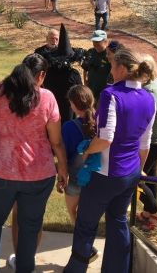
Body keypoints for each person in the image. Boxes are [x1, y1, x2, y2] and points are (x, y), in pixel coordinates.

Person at [0, 54, 68, 273]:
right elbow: (56, 141)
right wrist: (63, 167)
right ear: (41, 75)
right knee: (30, 228)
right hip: (38, 174)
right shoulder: (47, 98)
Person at [64, 48, 156, 273]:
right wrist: (138, 171)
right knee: (118, 221)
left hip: (106, 175)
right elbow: (145, 144)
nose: (111, 70)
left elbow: (105, 139)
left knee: (86, 225)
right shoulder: (149, 97)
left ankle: (75, 269)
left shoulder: (111, 94)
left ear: (122, 69)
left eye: (113, 66)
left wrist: (86, 153)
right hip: (130, 173)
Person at [136, 55, 157, 231]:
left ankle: (156, 212)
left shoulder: (150, 92)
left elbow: (143, 120)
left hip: (153, 143)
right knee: (151, 178)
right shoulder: (154, 84)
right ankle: (149, 212)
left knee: (136, 178)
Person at [34, 24, 84, 124]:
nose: (54, 41)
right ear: (47, 39)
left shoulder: (63, 51)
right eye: (52, 38)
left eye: (56, 39)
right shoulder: (40, 52)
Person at [62, 85, 97, 224]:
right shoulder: (101, 122)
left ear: (74, 105)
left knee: (72, 211)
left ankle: (79, 234)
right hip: (96, 176)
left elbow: (65, 155)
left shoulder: (69, 127)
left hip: (76, 178)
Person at [81, 30, 111, 102]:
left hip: (104, 90)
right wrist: (85, 81)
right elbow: (85, 68)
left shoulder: (110, 55)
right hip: (91, 89)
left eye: (98, 42)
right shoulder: (90, 52)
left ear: (105, 41)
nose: (95, 44)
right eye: (94, 41)